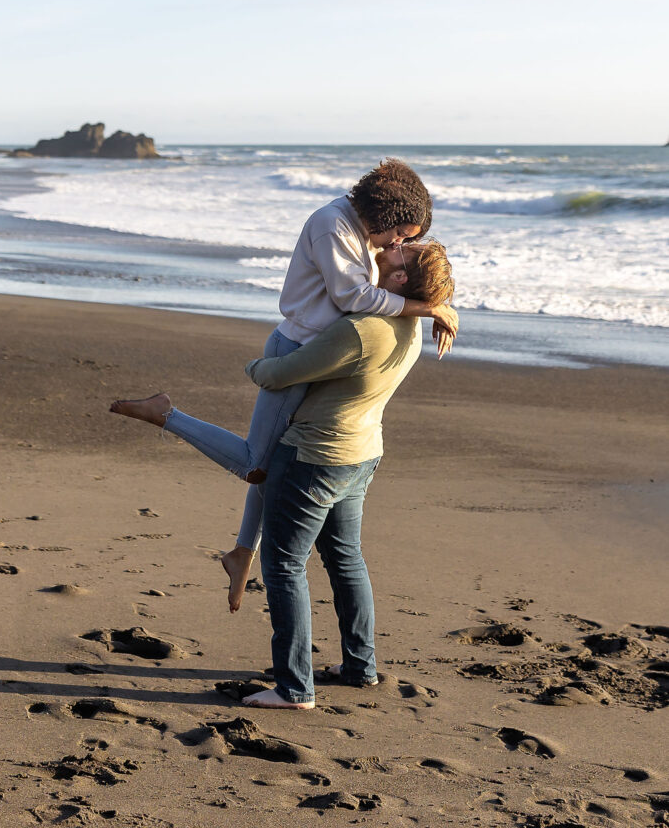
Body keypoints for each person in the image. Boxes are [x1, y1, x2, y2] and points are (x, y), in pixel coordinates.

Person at [110, 159, 458, 611]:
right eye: (401, 234)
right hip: (296, 353)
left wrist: (438, 303)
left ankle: (241, 552)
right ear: (386, 213)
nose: (398, 243)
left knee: (271, 465)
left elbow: (393, 281)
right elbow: (354, 297)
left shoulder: (363, 234)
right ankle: (165, 414)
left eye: (406, 241)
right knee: (257, 463)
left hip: (324, 355)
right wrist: (427, 308)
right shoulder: (332, 225)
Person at [240, 240, 454, 709]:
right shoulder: (410, 327)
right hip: (362, 453)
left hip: (312, 459)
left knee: (284, 567)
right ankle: (361, 667)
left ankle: (294, 688)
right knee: (345, 559)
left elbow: (280, 374)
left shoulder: (363, 330)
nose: (395, 245)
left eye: (405, 251)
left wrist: (254, 365)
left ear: (399, 279)